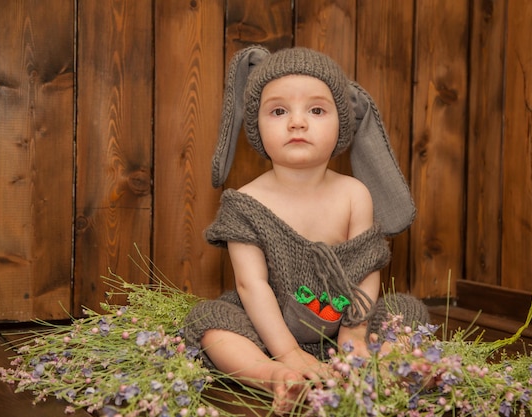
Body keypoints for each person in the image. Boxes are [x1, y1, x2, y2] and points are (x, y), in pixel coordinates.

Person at [184, 46, 429, 415]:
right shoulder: (245, 202)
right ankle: (274, 377)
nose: (297, 122)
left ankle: (383, 369)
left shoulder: (353, 194)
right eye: (279, 111)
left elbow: (365, 270)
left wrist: (354, 336)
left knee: (407, 311)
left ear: (341, 125)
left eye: (316, 110)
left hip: (343, 320)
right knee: (210, 323)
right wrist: (286, 352)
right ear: (255, 125)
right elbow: (253, 285)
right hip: (268, 326)